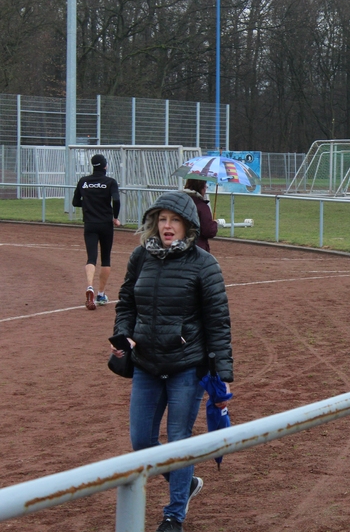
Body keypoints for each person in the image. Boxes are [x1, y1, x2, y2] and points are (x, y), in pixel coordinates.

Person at [112, 191, 233, 532]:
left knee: (180, 437)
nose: (167, 226)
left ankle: (174, 515)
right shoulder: (140, 257)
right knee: (141, 441)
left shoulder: (204, 264)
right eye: (162, 219)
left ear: (188, 225)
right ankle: (185, 480)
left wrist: (222, 375)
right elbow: (126, 303)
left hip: (187, 366)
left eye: (175, 220)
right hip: (146, 364)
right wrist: (123, 335)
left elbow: (218, 323)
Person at [72, 153, 121, 310]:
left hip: (90, 224)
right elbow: (116, 200)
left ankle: (89, 286)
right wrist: (115, 217)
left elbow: (75, 202)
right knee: (105, 259)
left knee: (91, 258)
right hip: (106, 223)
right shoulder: (110, 182)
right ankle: (100, 294)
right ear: (105, 166)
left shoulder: (84, 181)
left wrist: (89, 204)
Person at [182, 179, 218, 252]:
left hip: (180, 246)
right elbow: (208, 231)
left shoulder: (180, 203)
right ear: (200, 187)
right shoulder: (202, 207)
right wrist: (214, 223)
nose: (206, 188)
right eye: (205, 185)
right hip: (198, 249)